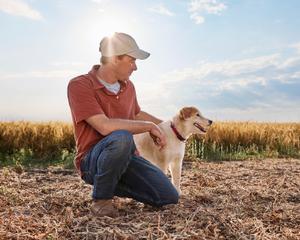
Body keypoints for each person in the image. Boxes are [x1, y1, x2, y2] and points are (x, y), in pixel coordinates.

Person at [67, 32, 179, 217]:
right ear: (114, 59)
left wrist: (171, 127)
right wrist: (149, 126)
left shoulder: (129, 86)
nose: (135, 67)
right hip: (92, 160)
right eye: (132, 60)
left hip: (127, 158)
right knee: (121, 137)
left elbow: (135, 114)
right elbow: (104, 126)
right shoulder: (80, 85)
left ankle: (112, 181)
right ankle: (101, 200)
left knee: (168, 196)